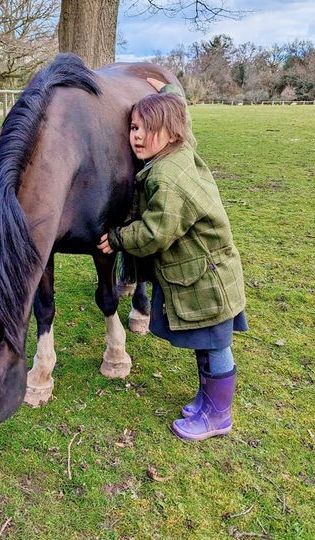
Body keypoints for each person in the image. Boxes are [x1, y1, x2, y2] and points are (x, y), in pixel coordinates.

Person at [97, 78, 248, 440]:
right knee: (207, 345)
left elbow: (154, 232)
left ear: (171, 133)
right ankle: (208, 400)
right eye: (134, 127)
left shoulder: (168, 180)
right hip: (208, 271)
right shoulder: (181, 151)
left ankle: (218, 415)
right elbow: (183, 114)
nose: (137, 135)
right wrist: (168, 91)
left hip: (206, 279)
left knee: (215, 347)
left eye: (148, 129)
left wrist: (117, 238)